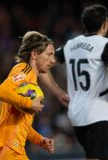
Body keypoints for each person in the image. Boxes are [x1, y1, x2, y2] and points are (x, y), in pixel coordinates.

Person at [40, 4, 108, 159]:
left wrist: (58, 93)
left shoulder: (71, 45)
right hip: (99, 113)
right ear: (105, 23)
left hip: (77, 115)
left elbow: (42, 68)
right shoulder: (104, 45)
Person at [0, 31, 56, 160]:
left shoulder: (32, 84)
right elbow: (1, 91)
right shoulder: (23, 69)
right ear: (34, 54)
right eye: (49, 54)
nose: (53, 60)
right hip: (4, 146)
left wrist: (40, 140)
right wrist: (28, 103)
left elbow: (23, 126)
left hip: (14, 148)